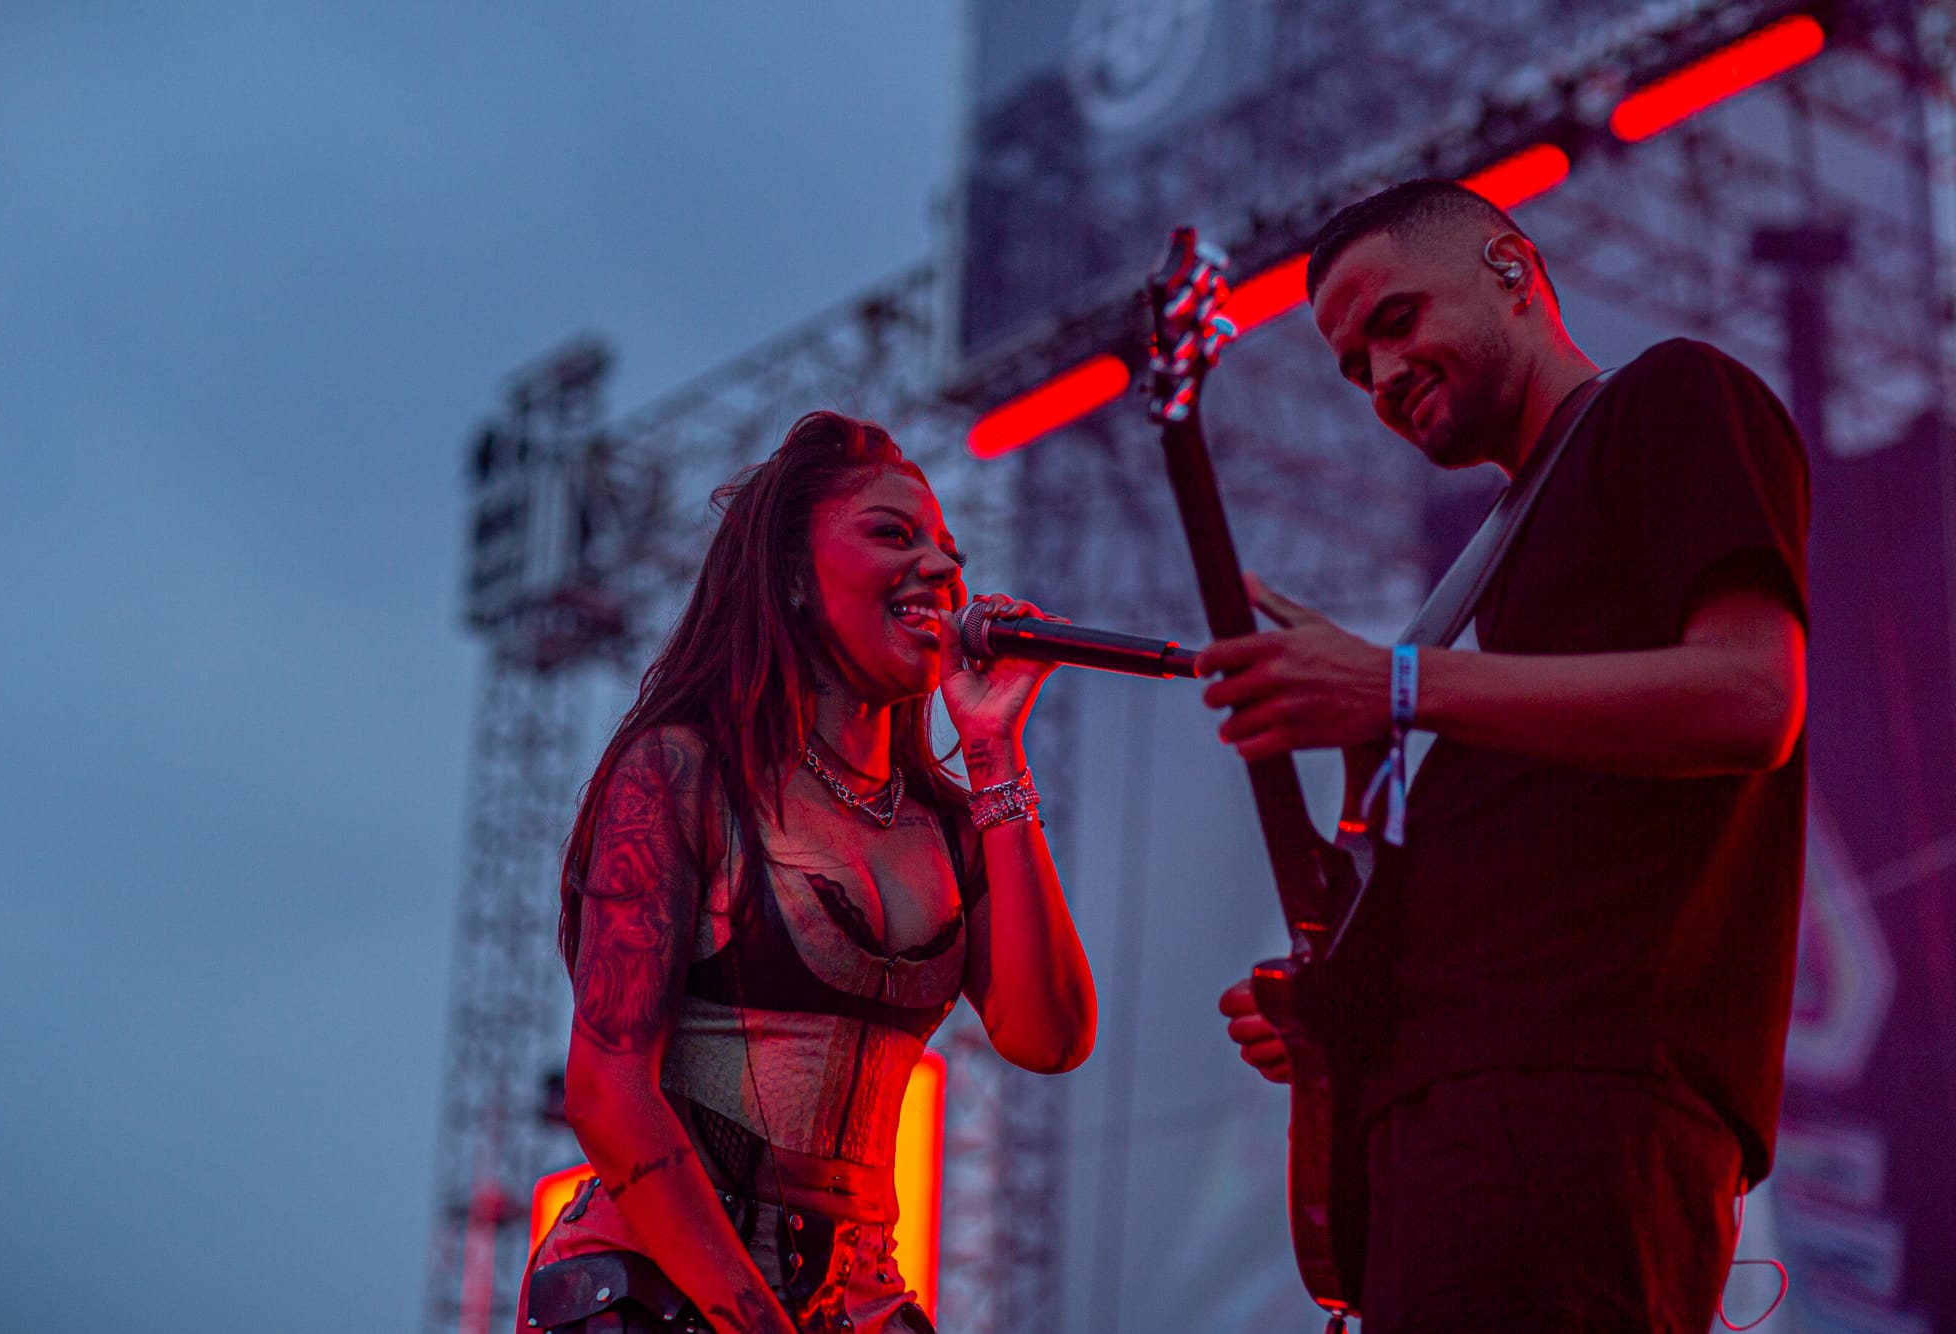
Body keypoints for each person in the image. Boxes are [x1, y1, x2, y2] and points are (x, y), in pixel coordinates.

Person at [1204, 180, 1808, 1332]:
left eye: (1393, 322)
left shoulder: (1672, 397)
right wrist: (1335, 1017)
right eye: (1349, 366)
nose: (1378, 377)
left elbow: (1749, 695)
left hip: (1572, 1127)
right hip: (1456, 1147)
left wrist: (1391, 681)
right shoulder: (1488, 586)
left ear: (1509, 266)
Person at [522, 412, 1097, 1334]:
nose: (944, 571)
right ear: (791, 575)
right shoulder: (685, 773)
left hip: (859, 1301)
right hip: (661, 1290)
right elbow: (605, 1088)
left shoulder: (948, 826)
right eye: (892, 534)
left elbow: (1051, 1035)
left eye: (949, 550)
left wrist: (994, 755)